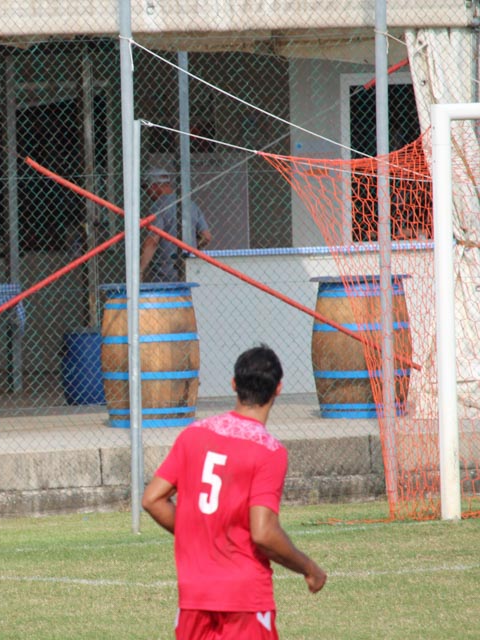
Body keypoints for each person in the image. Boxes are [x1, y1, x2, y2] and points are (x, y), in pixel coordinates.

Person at [142, 345, 327, 639]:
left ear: (233, 384)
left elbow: (152, 499)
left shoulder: (194, 434)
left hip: (194, 596)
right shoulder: (269, 451)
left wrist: (200, 531)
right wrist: (308, 567)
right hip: (244, 597)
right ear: (278, 389)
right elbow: (263, 533)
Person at [139, 166, 212, 282]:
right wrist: (191, 251)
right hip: (190, 270)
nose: (146, 192)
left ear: (153, 186)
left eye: (145, 188)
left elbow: (152, 241)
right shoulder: (190, 205)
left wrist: (140, 270)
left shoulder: (158, 207)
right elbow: (206, 236)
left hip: (164, 273)